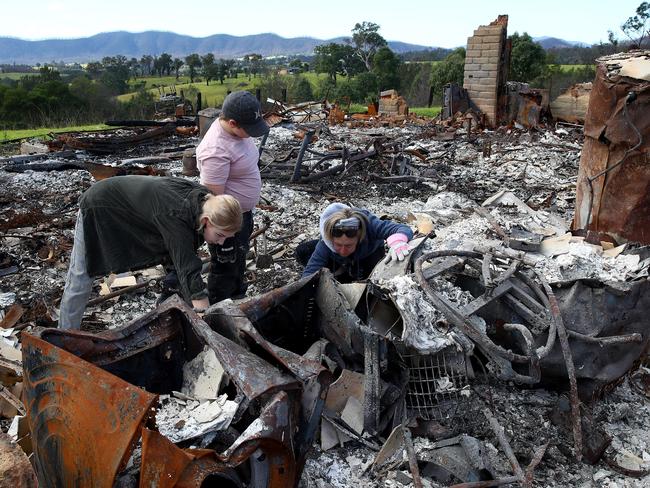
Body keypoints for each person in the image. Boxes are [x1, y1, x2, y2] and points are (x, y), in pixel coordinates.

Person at [58, 175, 242, 330]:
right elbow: (187, 265)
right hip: (100, 206)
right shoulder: (177, 214)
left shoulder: (206, 202)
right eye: (220, 235)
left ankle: (172, 316)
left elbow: (182, 258)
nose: (221, 241)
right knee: (81, 276)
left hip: (134, 209)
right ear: (206, 221)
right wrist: (203, 315)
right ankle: (65, 335)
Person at [195, 90, 270, 304]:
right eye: (249, 129)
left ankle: (238, 299)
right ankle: (220, 308)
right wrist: (225, 237)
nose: (253, 134)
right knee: (225, 265)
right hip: (227, 221)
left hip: (242, 214)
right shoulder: (215, 149)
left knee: (238, 261)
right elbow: (214, 198)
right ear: (232, 122)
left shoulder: (236, 133)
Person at [297, 203, 414, 282]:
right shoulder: (326, 243)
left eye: (348, 245)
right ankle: (341, 271)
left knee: (371, 282)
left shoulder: (369, 224)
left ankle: (353, 271)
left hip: (369, 252)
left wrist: (397, 241)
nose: (343, 250)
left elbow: (402, 228)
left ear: (359, 237)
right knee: (302, 252)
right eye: (338, 245)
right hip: (338, 259)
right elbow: (310, 272)